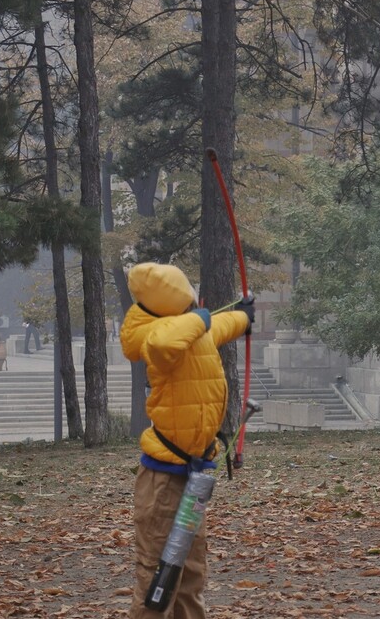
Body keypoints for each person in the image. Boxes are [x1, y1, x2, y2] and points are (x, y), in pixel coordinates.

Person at [120, 263, 253, 619]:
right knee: (158, 580)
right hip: (164, 482)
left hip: (192, 479)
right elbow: (170, 339)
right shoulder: (159, 336)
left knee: (191, 574)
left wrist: (243, 316)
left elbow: (217, 327)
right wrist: (202, 317)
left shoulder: (191, 328)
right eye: (189, 302)